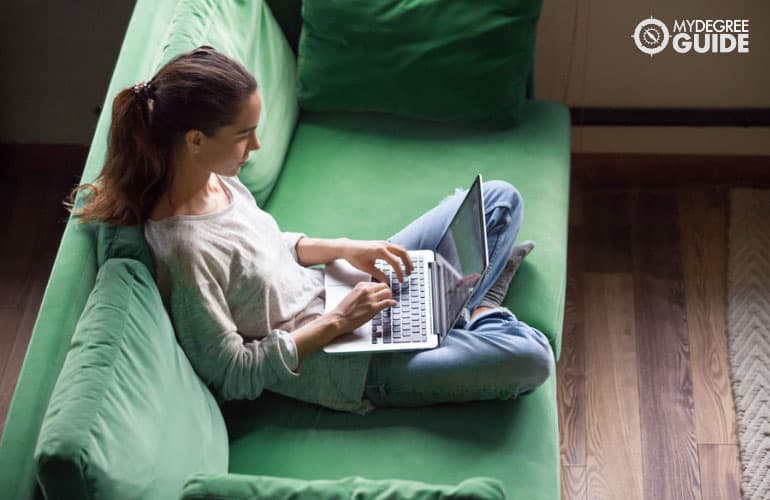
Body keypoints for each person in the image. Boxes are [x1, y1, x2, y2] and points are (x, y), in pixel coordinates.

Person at [68, 46, 554, 415]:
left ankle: (451, 305)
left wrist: (350, 249)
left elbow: (267, 248)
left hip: (343, 288)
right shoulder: (184, 251)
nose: (255, 145)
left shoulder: (217, 180)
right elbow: (232, 373)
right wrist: (341, 321)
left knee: (500, 200)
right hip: (344, 363)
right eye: (243, 135)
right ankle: (480, 306)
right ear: (195, 140)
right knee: (531, 358)